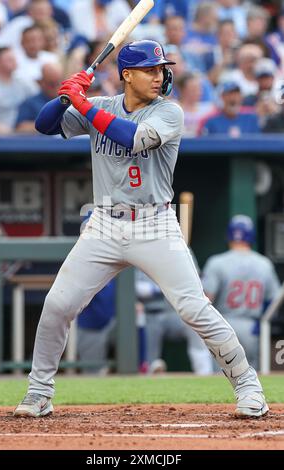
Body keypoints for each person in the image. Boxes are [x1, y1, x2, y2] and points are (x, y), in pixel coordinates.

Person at [14, 39, 268, 419]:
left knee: (194, 307)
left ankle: (249, 386)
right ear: (126, 75)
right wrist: (66, 94)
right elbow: (44, 125)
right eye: (150, 70)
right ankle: (38, 392)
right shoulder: (101, 106)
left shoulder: (170, 112)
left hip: (155, 223)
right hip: (104, 224)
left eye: (161, 69)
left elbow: (130, 139)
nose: (159, 75)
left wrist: (81, 103)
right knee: (57, 305)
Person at [202, 215, 281, 371]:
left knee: (221, 376)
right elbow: (275, 301)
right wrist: (263, 321)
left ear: (229, 236)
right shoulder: (264, 264)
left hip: (223, 325)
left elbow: (205, 299)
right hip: (252, 327)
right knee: (252, 378)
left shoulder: (216, 262)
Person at [136, 270, 213, 375]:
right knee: (149, 356)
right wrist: (163, 288)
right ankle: (149, 370)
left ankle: (204, 373)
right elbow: (134, 287)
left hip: (174, 313)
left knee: (194, 326)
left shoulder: (182, 252)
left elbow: (197, 279)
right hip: (149, 314)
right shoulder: (138, 254)